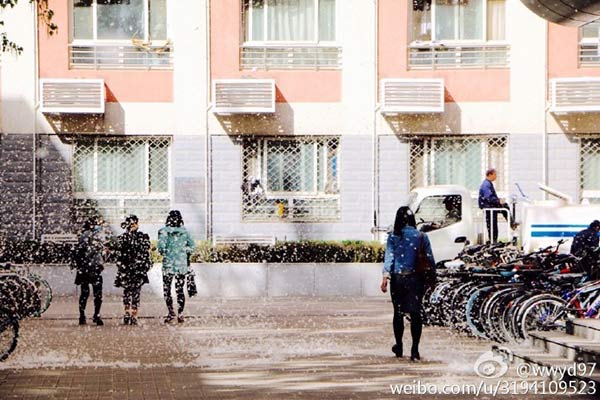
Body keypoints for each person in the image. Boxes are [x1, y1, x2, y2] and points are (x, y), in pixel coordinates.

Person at [380, 206, 435, 361]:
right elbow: (430, 258)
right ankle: (415, 350)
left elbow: (389, 258)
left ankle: (399, 346)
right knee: (416, 313)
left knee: (398, 312)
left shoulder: (393, 236)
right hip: (416, 279)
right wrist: (433, 278)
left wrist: (385, 277)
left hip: (398, 279)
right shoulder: (422, 236)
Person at [113, 215, 152, 326]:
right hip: (137, 269)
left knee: (127, 291)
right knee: (135, 292)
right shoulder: (141, 237)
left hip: (126, 269)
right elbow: (146, 250)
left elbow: (118, 253)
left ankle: (128, 313)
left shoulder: (123, 238)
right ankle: (133, 315)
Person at [158, 210, 195, 324]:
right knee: (179, 290)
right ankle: (180, 313)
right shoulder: (185, 232)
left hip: (168, 264)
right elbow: (193, 246)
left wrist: (168, 252)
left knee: (167, 290)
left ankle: (171, 312)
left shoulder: (163, 232)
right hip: (181, 265)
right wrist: (183, 251)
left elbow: (160, 247)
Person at [73, 216, 106, 326]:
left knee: (84, 293)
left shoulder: (83, 235)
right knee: (97, 294)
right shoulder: (94, 236)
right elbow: (97, 251)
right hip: (94, 268)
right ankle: (96, 315)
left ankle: (82, 316)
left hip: (84, 269)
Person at [478, 168, 511, 243]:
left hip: (491, 206)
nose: (496, 177)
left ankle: (511, 223)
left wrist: (498, 201)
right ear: (490, 174)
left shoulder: (488, 183)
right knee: (492, 224)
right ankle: (493, 240)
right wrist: (498, 201)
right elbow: (489, 197)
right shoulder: (486, 184)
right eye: (495, 175)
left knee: (493, 224)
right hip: (488, 206)